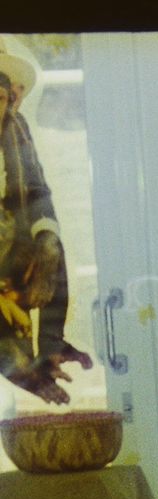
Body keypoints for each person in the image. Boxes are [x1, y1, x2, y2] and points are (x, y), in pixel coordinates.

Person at [0, 40, 92, 407]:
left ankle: (50, 346)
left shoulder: (14, 128)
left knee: (49, 242)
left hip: (8, 259)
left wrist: (48, 243)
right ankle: (22, 367)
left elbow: (36, 190)